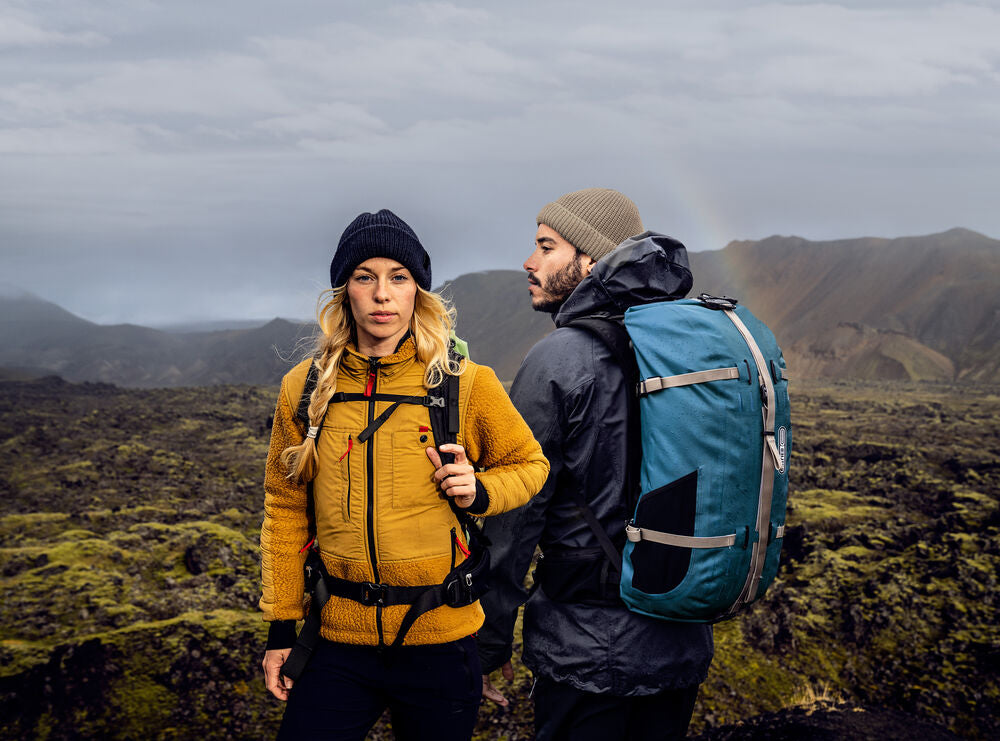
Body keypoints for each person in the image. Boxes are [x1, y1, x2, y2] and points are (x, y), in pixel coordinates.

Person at [258, 209, 549, 740]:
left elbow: (532, 467)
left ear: (419, 291)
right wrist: (282, 628)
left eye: (399, 278)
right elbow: (284, 508)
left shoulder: (464, 384)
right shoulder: (303, 388)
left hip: (440, 639)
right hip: (335, 640)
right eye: (365, 277)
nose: (382, 294)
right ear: (344, 290)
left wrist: (480, 490)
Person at [476, 188, 715, 740]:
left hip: (587, 652)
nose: (529, 263)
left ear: (591, 260)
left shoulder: (559, 358)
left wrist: (487, 641)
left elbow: (516, 513)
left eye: (546, 247)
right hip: (681, 640)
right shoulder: (688, 351)